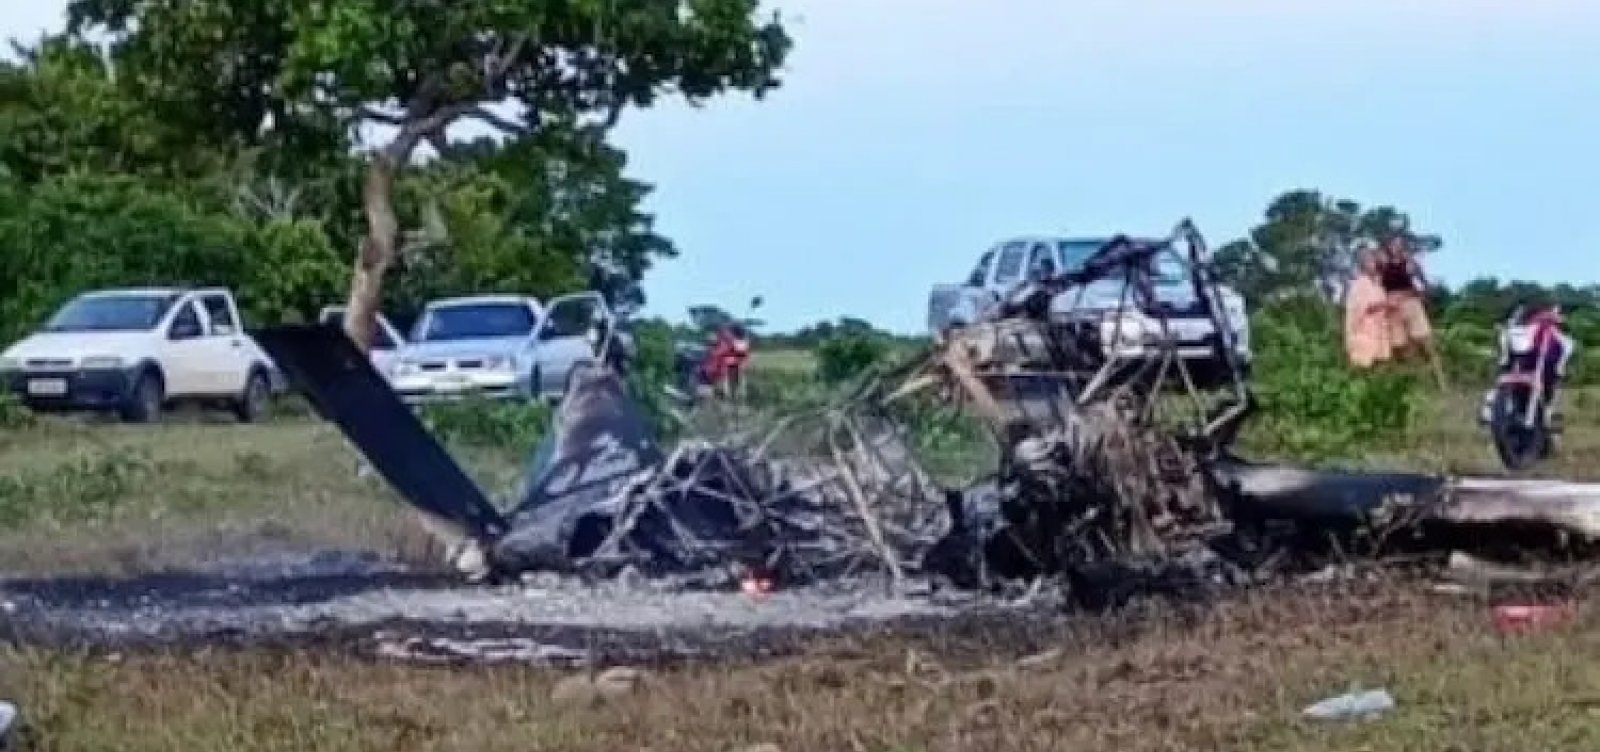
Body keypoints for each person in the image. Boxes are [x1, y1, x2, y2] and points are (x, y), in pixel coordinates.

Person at [1478, 303, 1576, 427]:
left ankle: (1549, 416)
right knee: (1501, 380)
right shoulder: (1518, 333)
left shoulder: (1560, 340)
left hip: (1543, 372)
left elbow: (1561, 365)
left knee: (1552, 393)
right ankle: (1490, 410)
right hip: (1521, 371)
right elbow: (1505, 358)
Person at [1375, 235, 1446, 386]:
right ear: (1389, 246)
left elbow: (1424, 282)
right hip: (1392, 308)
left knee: (1427, 345)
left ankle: (1441, 383)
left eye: (1400, 244)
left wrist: (1423, 294)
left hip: (1411, 304)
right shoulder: (1383, 265)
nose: (1397, 247)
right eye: (1394, 244)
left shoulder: (1409, 263)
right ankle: (1415, 382)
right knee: (1400, 347)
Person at [1344, 248, 1393, 368]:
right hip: (1363, 332)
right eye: (1369, 261)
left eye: (1373, 261)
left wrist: (1391, 306)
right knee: (1363, 367)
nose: (1373, 264)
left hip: (1379, 332)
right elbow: (1364, 308)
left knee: (1379, 367)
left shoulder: (1378, 286)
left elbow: (1383, 307)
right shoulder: (1358, 284)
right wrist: (1385, 304)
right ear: (1362, 265)